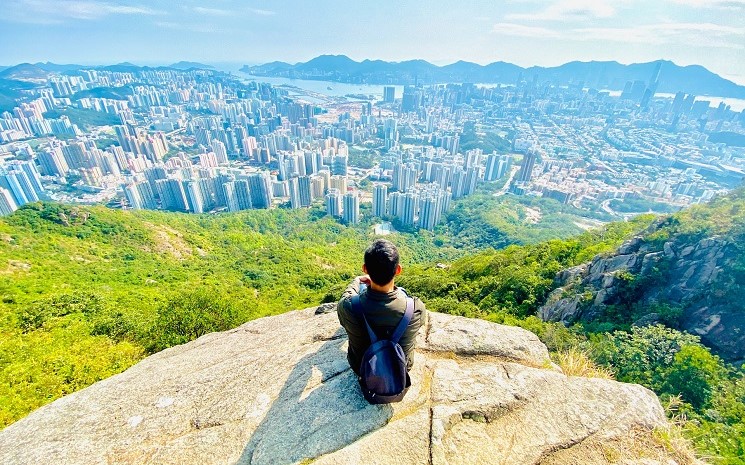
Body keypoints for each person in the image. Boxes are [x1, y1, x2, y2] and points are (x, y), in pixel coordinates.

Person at [337, 239, 427, 378]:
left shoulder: (347, 307)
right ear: (398, 270)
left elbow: (346, 297)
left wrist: (356, 281)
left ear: (365, 269)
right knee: (402, 292)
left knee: (360, 295)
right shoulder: (416, 308)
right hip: (401, 369)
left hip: (362, 367)